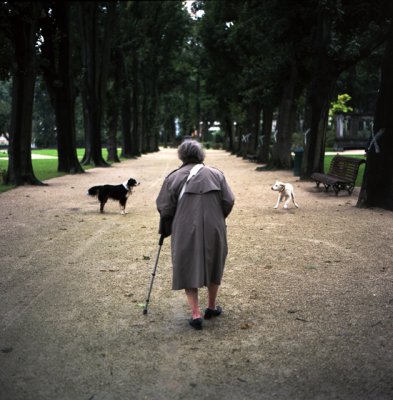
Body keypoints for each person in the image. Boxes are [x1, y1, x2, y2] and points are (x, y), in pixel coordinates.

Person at [156, 140, 235, 330]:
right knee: (215, 261)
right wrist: (216, 215)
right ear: (201, 155)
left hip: (184, 227)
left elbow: (164, 207)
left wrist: (167, 226)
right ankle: (211, 306)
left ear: (181, 156)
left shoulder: (173, 178)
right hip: (214, 226)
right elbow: (229, 200)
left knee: (187, 264)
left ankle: (195, 314)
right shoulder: (217, 174)